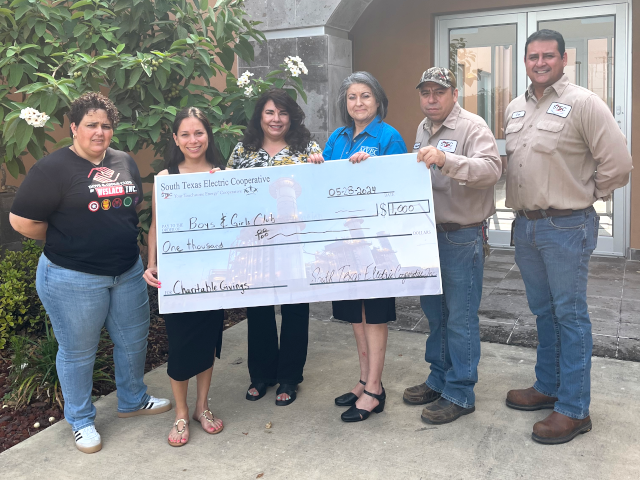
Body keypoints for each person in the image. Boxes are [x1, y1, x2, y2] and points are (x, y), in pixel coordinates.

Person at [9, 92, 171, 454]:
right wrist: (66, 235)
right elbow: (21, 221)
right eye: (91, 125)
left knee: (133, 341)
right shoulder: (52, 169)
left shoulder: (123, 160)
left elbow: (134, 204)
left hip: (126, 271)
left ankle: (132, 399)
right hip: (73, 277)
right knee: (78, 351)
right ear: (74, 128)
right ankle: (81, 420)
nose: (100, 132)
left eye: (106, 125)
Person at [503, 29, 632, 444]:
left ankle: (575, 409)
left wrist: (585, 195)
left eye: (548, 56)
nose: (540, 62)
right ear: (525, 61)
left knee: (570, 315)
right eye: (532, 56)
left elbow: (619, 164)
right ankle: (548, 386)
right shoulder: (515, 107)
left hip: (566, 226)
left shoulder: (583, 103)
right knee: (543, 312)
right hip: (525, 225)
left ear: (563, 60)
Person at [402, 68, 503, 425]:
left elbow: (492, 170)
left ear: (454, 94)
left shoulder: (473, 127)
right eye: (425, 92)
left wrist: (447, 160)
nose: (431, 99)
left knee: (460, 318)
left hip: (462, 236)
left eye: (438, 92)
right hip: (428, 236)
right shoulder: (422, 129)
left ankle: (460, 392)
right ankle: (439, 377)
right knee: (436, 315)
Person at [308, 71, 407, 422]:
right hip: (343, 240)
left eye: (365, 96)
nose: (358, 103)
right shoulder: (337, 137)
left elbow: (400, 186)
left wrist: (372, 169)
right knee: (355, 315)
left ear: (378, 101)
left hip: (374, 242)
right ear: (344, 103)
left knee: (374, 314)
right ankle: (363, 380)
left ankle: (376, 390)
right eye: (352, 97)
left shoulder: (388, 136)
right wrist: (317, 166)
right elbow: (324, 186)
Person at [227, 88, 322, 406]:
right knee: (259, 310)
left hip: (295, 241)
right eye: (269, 112)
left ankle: (290, 378)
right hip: (257, 242)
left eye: (282, 113)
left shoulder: (307, 147)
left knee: (296, 309)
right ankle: (261, 375)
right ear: (259, 116)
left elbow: (321, 188)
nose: (276, 119)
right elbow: (227, 187)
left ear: (291, 116)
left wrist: (319, 168)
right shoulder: (245, 148)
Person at [143, 107, 225, 446]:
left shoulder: (223, 174)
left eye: (199, 133)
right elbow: (156, 227)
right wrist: (152, 263)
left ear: (209, 135)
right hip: (178, 278)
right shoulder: (165, 178)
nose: (194, 140)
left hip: (214, 275)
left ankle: (201, 407)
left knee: (207, 341)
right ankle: (180, 412)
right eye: (186, 134)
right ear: (176, 139)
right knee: (179, 346)